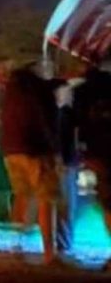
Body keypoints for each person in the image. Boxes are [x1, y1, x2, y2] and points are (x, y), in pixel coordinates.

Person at [0, 61, 61, 264]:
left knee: (21, 196)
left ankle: (15, 245)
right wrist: (53, 147)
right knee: (46, 198)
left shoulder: (12, 90)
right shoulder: (36, 89)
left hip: (11, 150)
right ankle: (49, 253)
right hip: (35, 150)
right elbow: (42, 118)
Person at [75, 59, 111, 272]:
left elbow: (76, 124)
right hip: (100, 154)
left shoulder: (83, 92)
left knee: (108, 203)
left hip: (98, 154)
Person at [54, 81, 80, 259]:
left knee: (65, 203)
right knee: (66, 203)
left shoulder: (59, 114)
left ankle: (64, 242)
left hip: (65, 162)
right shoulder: (65, 115)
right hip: (65, 163)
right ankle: (64, 243)